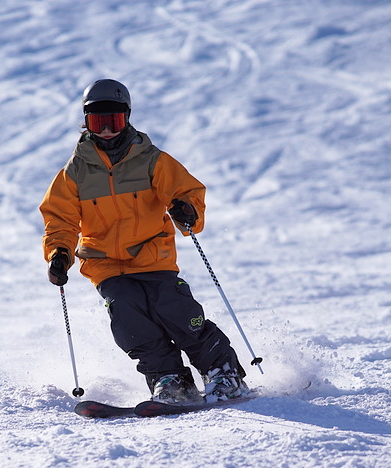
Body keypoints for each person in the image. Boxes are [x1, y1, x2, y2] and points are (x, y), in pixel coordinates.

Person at [39, 79, 249, 404]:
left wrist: (186, 209)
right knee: (129, 321)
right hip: (106, 265)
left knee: (177, 313)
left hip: (153, 256)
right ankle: (170, 380)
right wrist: (59, 254)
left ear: (127, 117)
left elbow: (187, 191)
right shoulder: (74, 173)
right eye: (98, 122)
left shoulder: (151, 159)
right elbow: (60, 219)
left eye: (114, 121)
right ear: (86, 123)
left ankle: (224, 372)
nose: (107, 130)